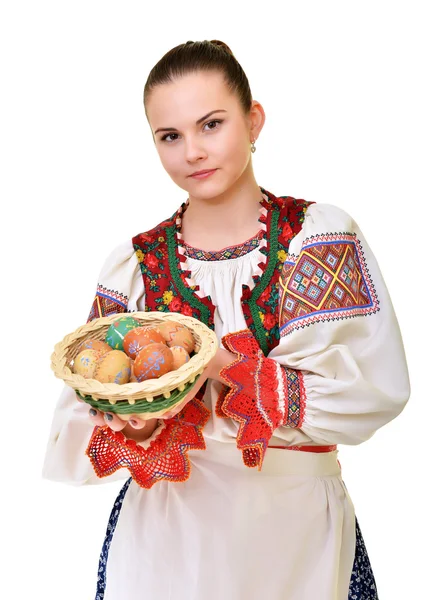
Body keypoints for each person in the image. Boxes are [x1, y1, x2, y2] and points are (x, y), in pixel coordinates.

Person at [42, 39, 411, 600]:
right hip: (168, 539)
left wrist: (226, 364)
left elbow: (370, 392)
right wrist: (137, 424)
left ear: (253, 120)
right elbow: (86, 427)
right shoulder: (134, 268)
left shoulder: (316, 239)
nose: (192, 151)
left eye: (211, 124)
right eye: (170, 136)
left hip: (294, 534)